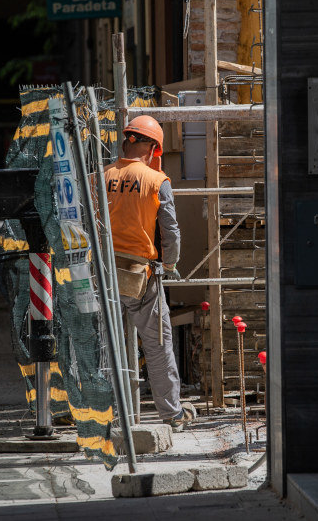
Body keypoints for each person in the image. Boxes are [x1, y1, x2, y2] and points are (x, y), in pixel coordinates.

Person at [104, 115, 194, 432]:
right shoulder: (157, 182)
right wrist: (169, 264)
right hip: (142, 277)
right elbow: (171, 234)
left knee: (107, 347)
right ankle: (171, 414)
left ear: (127, 140)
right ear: (155, 149)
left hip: (104, 274)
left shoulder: (100, 177)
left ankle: (108, 415)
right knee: (157, 348)